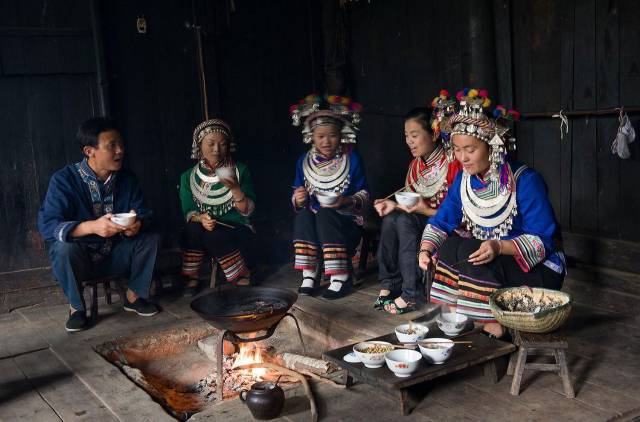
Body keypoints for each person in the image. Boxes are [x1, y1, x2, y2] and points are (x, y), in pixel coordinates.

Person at [418, 89, 565, 338]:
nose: (462, 157)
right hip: (493, 264)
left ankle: (491, 326)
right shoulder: (464, 181)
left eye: (470, 149)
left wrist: (499, 247)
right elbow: (442, 221)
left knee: (467, 250)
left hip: (539, 269)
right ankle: (455, 318)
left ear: (491, 146)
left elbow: (544, 239)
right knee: (449, 246)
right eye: (457, 149)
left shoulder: (526, 181)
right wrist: (426, 250)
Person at [37, 117, 160, 332]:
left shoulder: (127, 179)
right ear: (89, 151)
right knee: (63, 247)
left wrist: (137, 223)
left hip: (117, 255)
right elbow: (48, 225)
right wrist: (92, 227)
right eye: (111, 145)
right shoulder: (64, 180)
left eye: (121, 144)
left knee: (150, 237)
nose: (120, 150)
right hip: (80, 261)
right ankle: (76, 307)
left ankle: (133, 296)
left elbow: (143, 212)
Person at [373, 91, 462, 314]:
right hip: (417, 221)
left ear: (433, 134)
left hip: (445, 227)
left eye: (414, 134)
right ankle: (389, 284)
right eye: (406, 135)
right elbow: (408, 206)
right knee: (393, 217)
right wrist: (393, 205)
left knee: (403, 221)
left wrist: (425, 209)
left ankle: (412, 294)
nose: (409, 141)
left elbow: (457, 213)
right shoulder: (415, 166)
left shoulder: (452, 163)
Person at [290, 94, 370, 299]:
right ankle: (310, 274)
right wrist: (298, 198)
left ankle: (340, 277)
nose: (326, 141)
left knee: (325, 215)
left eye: (332, 135)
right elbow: (298, 193)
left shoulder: (351, 158)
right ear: (312, 137)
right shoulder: (303, 161)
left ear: (340, 135)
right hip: (314, 229)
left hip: (345, 225)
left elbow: (364, 194)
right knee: (303, 215)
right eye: (320, 136)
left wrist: (347, 200)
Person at [179, 119, 256, 295]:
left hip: (235, 229)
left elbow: (248, 211)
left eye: (222, 144)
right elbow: (188, 210)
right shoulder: (188, 177)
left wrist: (235, 188)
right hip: (204, 228)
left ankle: (242, 273)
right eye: (210, 143)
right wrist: (201, 218)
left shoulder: (240, 170)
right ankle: (191, 277)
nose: (216, 149)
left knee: (213, 234)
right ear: (199, 145)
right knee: (193, 228)